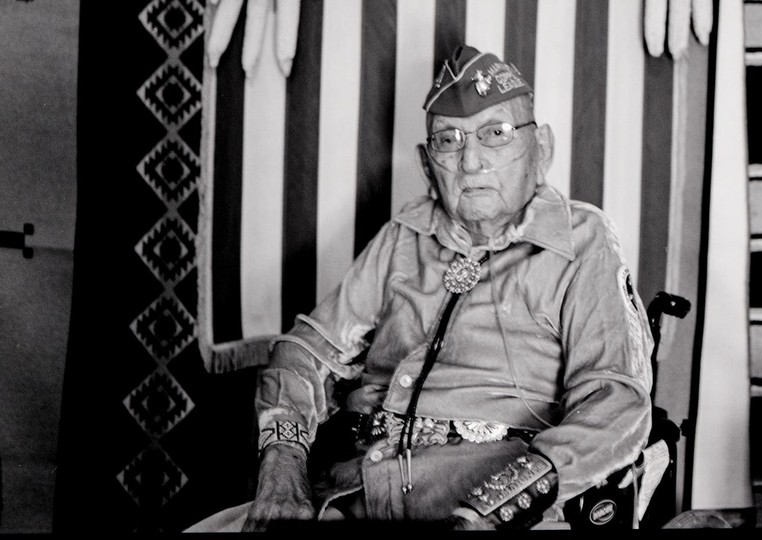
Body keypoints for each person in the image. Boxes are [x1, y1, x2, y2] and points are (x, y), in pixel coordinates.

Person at [187, 44, 655, 533]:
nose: (470, 161)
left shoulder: (583, 239)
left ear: (541, 149)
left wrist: (499, 505)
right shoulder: (403, 237)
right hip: (355, 492)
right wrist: (282, 465)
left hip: (492, 506)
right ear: (427, 164)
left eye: (495, 133)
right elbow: (307, 352)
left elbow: (614, 401)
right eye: (448, 140)